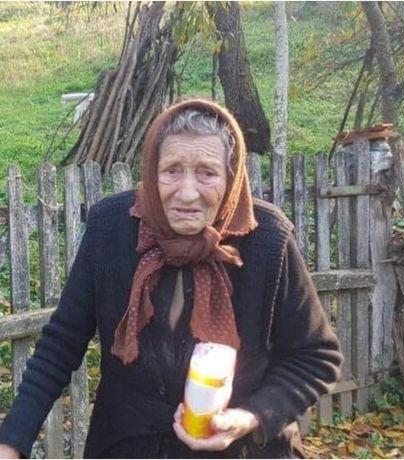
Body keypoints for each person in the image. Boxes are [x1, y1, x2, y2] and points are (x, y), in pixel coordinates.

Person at [0, 99, 342, 458]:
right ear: (151, 171)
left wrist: (249, 417)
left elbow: (316, 357)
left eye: (207, 173)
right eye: (172, 170)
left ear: (231, 177)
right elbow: (61, 344)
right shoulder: (111, 229)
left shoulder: (267, 239)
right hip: (128, 447)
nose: (188, 193)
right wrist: (11, 442)